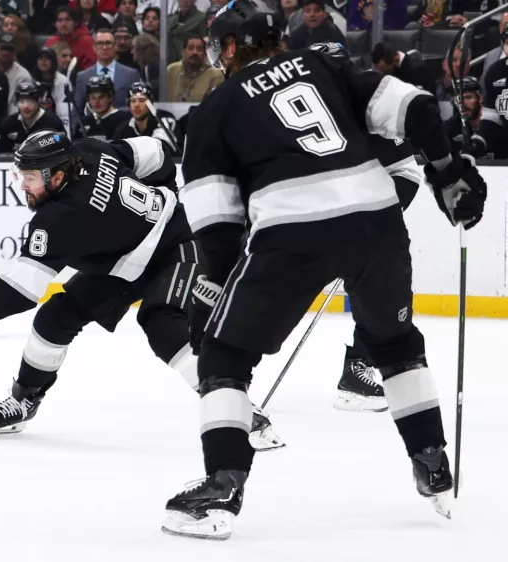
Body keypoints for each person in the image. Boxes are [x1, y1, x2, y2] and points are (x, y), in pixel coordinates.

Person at [164, 0, 485, 540]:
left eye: (221, 45)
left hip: (291, 232)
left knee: (225, 356)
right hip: (377, 224)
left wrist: (211, 299)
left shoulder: (213, 109)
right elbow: (421, 109)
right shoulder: (327, 66)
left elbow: (216, 230)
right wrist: (448, 174)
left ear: (235, 47)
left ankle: (222, 484)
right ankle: (432, 464)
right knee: (396, 342)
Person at [0, 131, 201, 436]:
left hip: (180, 243)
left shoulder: (59, 218)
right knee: (55, 318)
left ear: (57, 176)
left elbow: (22, 289)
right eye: (20, 175)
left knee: (161, 322)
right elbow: (154, 150)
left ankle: (230, 402)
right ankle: (24, 400)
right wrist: (165, 192)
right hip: (128, 262)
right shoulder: (91, 150)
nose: (22, 185)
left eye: (30, 177)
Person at [306, 42, 426, 412]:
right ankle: (232, 376)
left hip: (379, 206)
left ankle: (359, 368)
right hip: (323, 212)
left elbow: (406, 172)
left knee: (386, 291)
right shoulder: (308, 110)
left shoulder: (371, 106)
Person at [75, 29, 139, 111]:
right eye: (100, 43)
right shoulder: (83, 77)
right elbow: (77, 110)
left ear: (115, 46)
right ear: (94, 47)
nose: (104, 47)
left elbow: (136, 105)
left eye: (108, 43)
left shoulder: (131, 75)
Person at [0, 81, 67, 154]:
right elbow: (0, 154)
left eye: (30, 101)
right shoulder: (8, 124)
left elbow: (63, 152)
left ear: (39, 101)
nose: (26, 106)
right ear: (16, 103)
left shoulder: (53, 123)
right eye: (22, 102)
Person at [113, 82, 176, 151]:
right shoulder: (122, 130)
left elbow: (162, 148)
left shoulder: (163, 118)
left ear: (150, 103)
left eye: (142, 100)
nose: (137, 105)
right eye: (133, 101)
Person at [164, 35, 224, 103]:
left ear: (205, 53)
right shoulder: (172, 70)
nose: (195, 52)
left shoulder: (215, 75)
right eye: (190, 48)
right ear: (183, 51)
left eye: (199, 49)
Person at [34, 47, 74, 136]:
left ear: (53, 62)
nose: (43, 61)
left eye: (47, 59)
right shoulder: (32, 81)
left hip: (57, 124)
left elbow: (64, 113)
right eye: (40, 59)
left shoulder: (62, 81)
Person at [446, 76, 489, 157]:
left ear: (480, 99)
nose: (463, 103)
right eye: (459, 99)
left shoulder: (491, 124)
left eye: (468, 97)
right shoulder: (450, 127)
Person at [76, 75, 129, 141]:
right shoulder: (83, 123)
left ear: (111, 97)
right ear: (88, 99)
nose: (97, 102)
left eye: (101, 97)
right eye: (93, 97)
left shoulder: (124, 120)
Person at [44, 7, 96, 72]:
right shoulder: (51, 42)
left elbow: (90, 71)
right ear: (55, 24)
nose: (63, 24)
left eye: (67, 20)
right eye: (60, 20)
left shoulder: (87, 42)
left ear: (75, 23)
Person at [0, 33, 34, 116]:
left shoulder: (23, 76)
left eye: (9, 49)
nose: (6, 53)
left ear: (15, 52)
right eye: (3, 49)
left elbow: (23, 106)